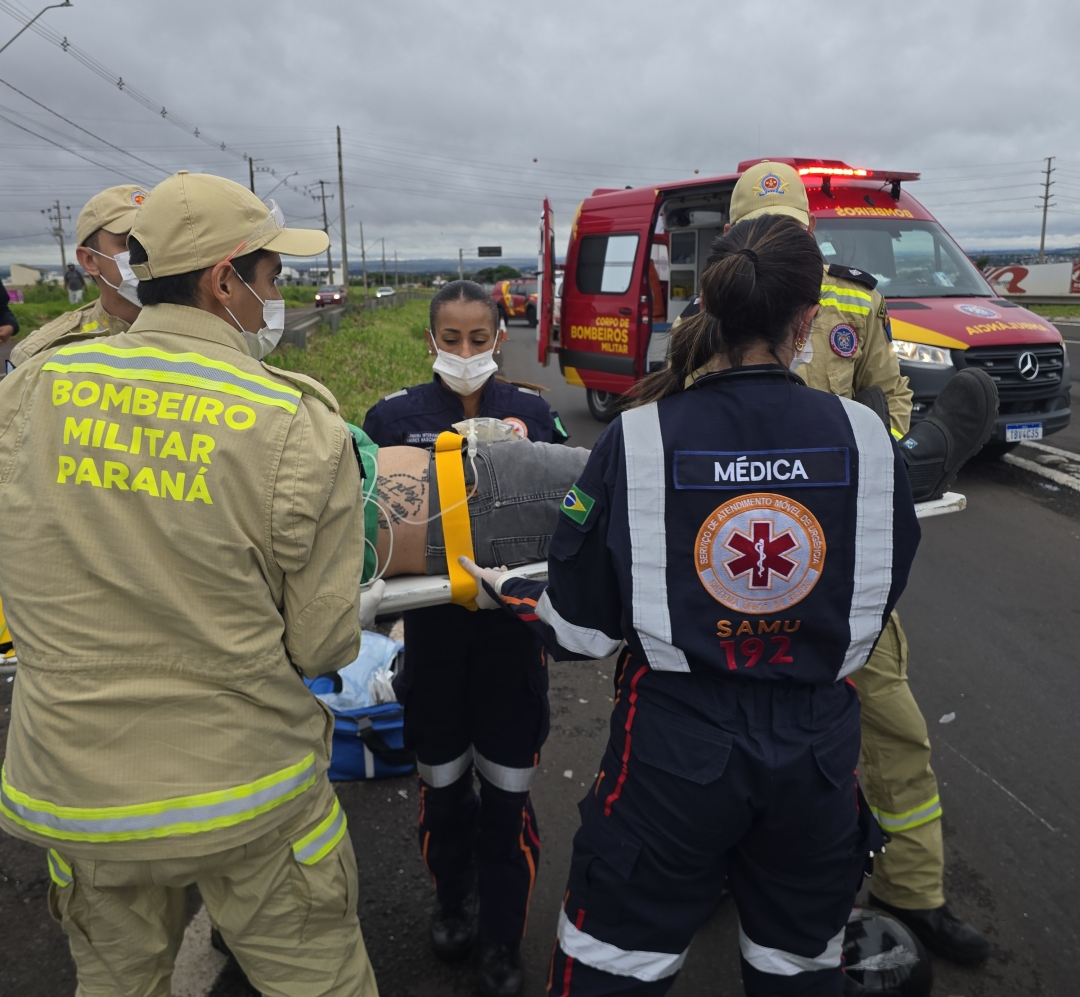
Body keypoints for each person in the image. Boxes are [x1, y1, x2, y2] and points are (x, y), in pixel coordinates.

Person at [460, 213, 922, 996]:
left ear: (705, 311)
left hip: (674, 758)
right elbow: (878, 597)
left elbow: (577, 630)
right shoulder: (868, 438)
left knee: (616, 964)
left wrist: (518, 595)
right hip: (816, 761)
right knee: (798, 968)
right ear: (807, 320)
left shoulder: (636, 439)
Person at [0, 172, 379, 996]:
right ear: (224, 279)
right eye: (274, 279)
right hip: (248, 793)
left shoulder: (28, 387)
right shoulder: (292, 420)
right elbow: (321, 642)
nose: (277, 298)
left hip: (76, 795)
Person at [718, 163, 992, 965]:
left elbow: (890, 391)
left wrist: (877, 452)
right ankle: (717, 868)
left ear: (811, 232)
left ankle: (913, 890)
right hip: (749, 559)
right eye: (758, 229)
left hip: (846, 563)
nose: (774, 242)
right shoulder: (718, 306)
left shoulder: (851, 299)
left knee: (894, 730)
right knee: (731, 731)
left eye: (790, 229)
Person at [361, 280, 569, 997]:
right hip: (436, 644)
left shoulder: (534, 415)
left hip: (513, 648)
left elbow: (569, 515)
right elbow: (366, 529)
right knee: (443, 793)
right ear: (430, 340)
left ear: (499, 339)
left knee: (508, 804)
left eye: (478, 340)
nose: (464, 353)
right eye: (450, 340)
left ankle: (504, 941)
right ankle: (453, 902)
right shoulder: (391, 419)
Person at [9, 185, 148, 368]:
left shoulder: (197, 328)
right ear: (89, 260)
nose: (150, 250)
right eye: (130, 242)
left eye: (161, 237)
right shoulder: (41, 356)